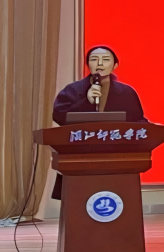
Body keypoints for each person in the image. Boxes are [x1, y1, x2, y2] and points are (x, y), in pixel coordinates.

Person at [50, 45, 147, 199]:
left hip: (117, 156)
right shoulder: (73, 90)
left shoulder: (127, 92)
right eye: (94, 59)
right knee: (79, 200)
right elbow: (59, 116)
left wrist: (149, 129)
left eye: (105, 59)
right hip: (80, 155)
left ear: (115, 65)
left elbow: (137, 120)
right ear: (88, 64)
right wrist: (86, 101)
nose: (100, 64)